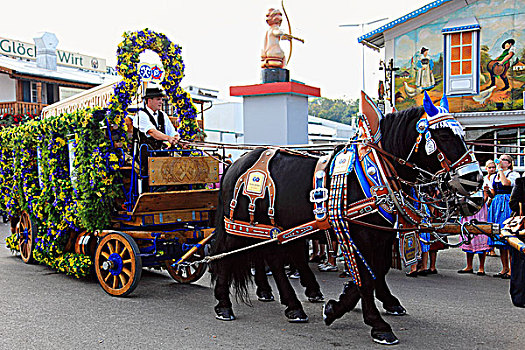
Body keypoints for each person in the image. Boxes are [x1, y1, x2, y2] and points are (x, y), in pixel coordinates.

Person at [458, 160, 496, 275]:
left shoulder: (483, 181)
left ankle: (481, 267)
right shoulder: (465, 183)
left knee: (480, 236)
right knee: (468, 236)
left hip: (479, 210)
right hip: (467, 211)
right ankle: (469, 266)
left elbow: (484, 199)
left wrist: (485, 193)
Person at [487, 154, 519, 279]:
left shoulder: (513, 174)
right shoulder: (494, 176)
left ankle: (512, 269)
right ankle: (504, 267)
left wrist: (500, 170)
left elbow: (506, 184)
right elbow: (494, 192)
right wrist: (489, 192)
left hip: (507, 204)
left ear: (509, 163)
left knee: (508, 236)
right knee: (498, 237)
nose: (500, 161)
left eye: (503, 160)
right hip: (496, 204)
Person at [508, 175, 525, 307]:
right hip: (522, 229)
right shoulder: (521, 182)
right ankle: (519, 297)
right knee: (520, 265)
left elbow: (513, 204)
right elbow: (514, 204)